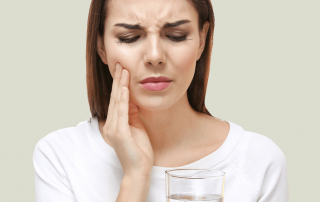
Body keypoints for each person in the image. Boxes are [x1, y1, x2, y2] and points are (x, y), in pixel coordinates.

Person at [33, 0, 289, 201]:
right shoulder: (61, 157)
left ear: (202, 40)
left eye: (176, 35)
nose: (155, 56)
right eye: (129, 37)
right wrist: (135, 178)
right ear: (101, 46)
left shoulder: (259, 162)